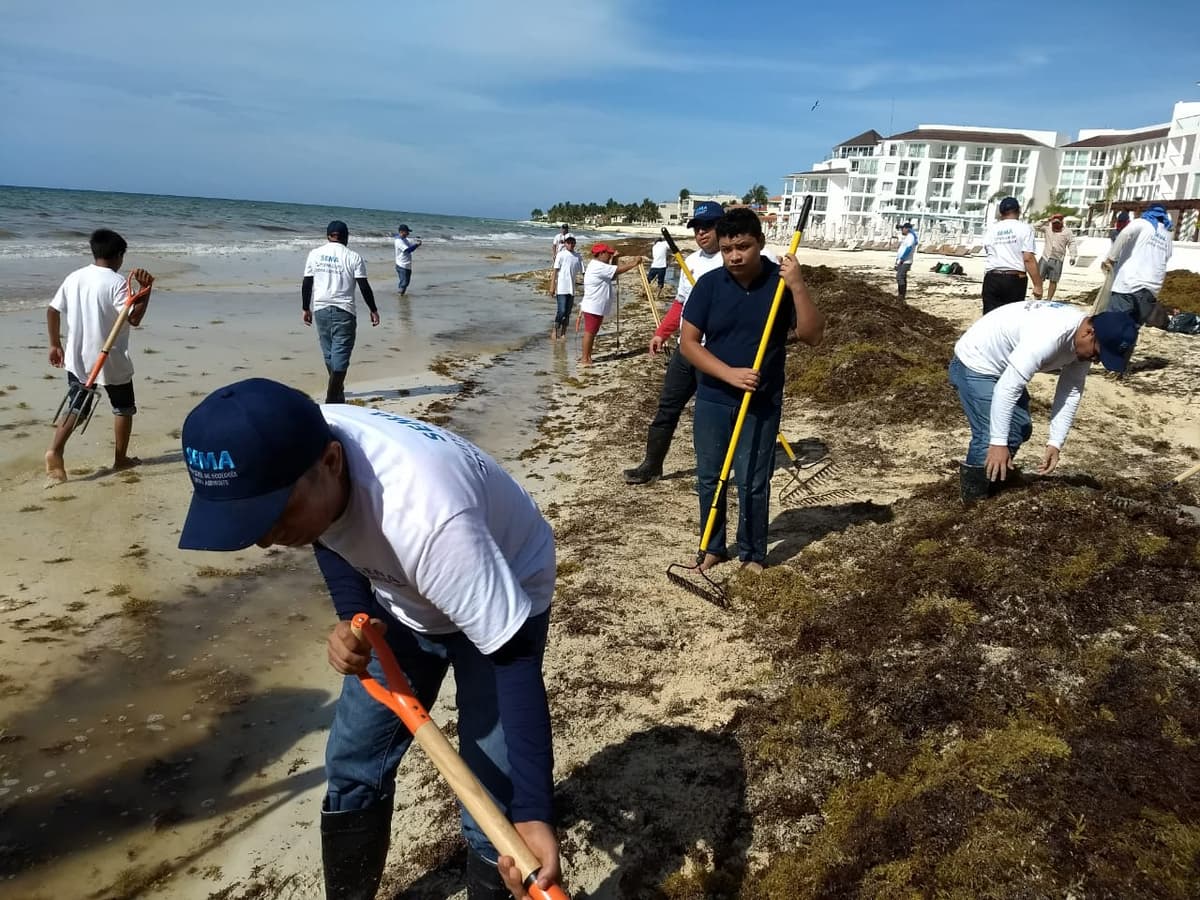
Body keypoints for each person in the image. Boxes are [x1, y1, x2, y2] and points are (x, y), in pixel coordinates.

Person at [176, 378, 561, 900]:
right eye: (249, 520)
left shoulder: (426, 518)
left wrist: (534, 812)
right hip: (404, 597)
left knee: (492, 804)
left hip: (502, 583)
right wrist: (354, 617)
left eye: (274, 514)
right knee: (353, 763)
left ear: (332, 462)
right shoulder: (304, 440)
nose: (265, 540)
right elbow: (331, 532)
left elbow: (513, 661)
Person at [679, 208, 825, 574]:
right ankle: (712, 548)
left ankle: (753, 553)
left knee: (753, 481)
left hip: (762, 401)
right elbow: (688, 344)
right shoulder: (709, 285)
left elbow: (812, 336)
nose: (734, 256)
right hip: (713, 397)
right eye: (727, 249)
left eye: (743, 247)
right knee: (710, 477)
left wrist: (798, 285)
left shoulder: (780, 284)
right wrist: (728, 374)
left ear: (760, 242)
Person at [948, 301, 1138, 503]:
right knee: (990, 436)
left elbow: (1070, 392)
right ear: (1089, 333)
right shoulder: (1050, 335)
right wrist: (998, 443)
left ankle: (993, 481)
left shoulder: (1083, 345)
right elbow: (1007, 389)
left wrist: (1055, 443)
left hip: (1005, 368)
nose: (1097, 361)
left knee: (1019, 427)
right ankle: (973, 500)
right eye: (1098, 354)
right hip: (975, 363)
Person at [622, 201, 727, 484]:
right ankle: (651, 466)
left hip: (715, 351)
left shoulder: (731, 260)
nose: (701, 233)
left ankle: (713, 474)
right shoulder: (689, 262)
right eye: (697, 228)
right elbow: (681, 304)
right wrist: (662, 333)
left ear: (721, 227)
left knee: (710, 415)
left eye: (708, 226)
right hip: (686, 348)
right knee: (667, 408)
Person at [44, 228, 155, 485]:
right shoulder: (116, 283)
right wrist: (146, 290)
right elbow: (134, 318)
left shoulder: (75, 277)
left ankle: (55, 450)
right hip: (110, 358)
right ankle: (121, 459)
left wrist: (54, 345)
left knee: (77, 406)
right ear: (119, 255)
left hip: (77, 357)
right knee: (123, 407)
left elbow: (52, 310)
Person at [302, 220, 379, 405]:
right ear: (346, 237)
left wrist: (305, 307)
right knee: (341, 354)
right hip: (344, 310)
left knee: (329, 353)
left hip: (320, 309)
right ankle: (332, 397)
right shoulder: (353, 257)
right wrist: (373, 309)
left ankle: (338, 393)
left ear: (328, 236)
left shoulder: (315, 254)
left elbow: (307, 283)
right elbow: (364, 286)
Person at [1103, 204, 1174, 328]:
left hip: (1128, 284)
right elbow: (1167, 256)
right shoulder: (1167, 235)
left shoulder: (1141, 223)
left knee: (1113, 324)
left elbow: (1124, 234)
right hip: (1151, 289)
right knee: (1132, 328)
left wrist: (1111, 258)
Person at [578, 242, 643, 367]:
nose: (609, 256)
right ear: (601, 253)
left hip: (597, 305)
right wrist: (634, 263)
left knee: (593, 331)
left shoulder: (601, 266)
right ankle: (585, 358)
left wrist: (615, 259)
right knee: (590, 332)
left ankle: (587, 357)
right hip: (593, 306)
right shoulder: (598, 266)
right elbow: (617, 270)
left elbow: (612, 275)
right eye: (608, 254)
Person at [981, 197, 1042, 315]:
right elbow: (1028, 258)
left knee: (990, 318)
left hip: (992, 277)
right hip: (1014, 279)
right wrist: (1037, 285)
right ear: (1018, 211)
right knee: (1011, 318)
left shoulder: (992, 229)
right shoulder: (1024, 228)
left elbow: (989, 251)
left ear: (1001, 213)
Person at [549, 235, 583, 340]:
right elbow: (555, 271)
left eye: (572, 242)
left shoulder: (578, 256)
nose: (570, 244)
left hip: (571, 289)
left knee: (568, 313)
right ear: (565, 244)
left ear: (575, 244)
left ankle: (563, 332)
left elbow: (583, 272)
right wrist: (552, 286)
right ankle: (555, 329)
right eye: (568, 242)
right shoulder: (561, 255)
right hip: (561, 288)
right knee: (561, 311)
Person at [1038, 214, 1077, 301]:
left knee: (1053, 280)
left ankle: (1049, 299)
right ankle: (1038, 297)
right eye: (1054, 223)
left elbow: (1072, 243)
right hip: (1045, 257)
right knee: (1039, 278)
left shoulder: (1067, 232)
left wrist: (1073, 256)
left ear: (1062, 222)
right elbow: (1035, 226)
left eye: (1057, 223)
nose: (1055, 225)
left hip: (1058, 259)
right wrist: (1047, 219)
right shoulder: (1047, 228)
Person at [393, 224, 422, 296]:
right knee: (404, 282)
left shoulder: (405, 240)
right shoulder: (398, 241)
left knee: (406, 282)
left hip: (407, 264)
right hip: (401, 265)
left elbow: (410, 248)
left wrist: (416, 243)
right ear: (401, 232)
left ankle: (402, 294)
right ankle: (400, 295)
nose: (408, 233)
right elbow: (407, 250)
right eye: (406, 232)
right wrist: (416, 245)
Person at [894, 221, 917, 302]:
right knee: (902, 277)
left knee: (900, 277)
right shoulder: (908, 237)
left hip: (906, 261)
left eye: (902, 229)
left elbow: (908, 249)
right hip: (903, 260)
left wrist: (902, 259)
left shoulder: (911, 237)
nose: (901, 230)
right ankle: (901, 295)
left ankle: (901, 295)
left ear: (907, 229)